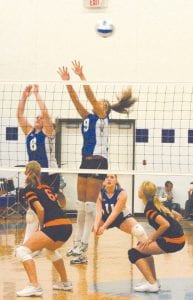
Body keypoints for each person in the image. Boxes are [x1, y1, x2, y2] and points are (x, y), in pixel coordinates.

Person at [57, 60, 137, 264]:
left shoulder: (102, 117)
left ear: (105, 109)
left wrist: (82, 77)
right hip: (85, 161)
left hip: (99, 162)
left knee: (91, 206)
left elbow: (90, 98)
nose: (98, 103)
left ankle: (83, 248)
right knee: (81, 205)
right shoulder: (87, 117)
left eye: (102, 103)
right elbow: (77, 101)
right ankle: (77, 245)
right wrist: (67, 82)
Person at [15, 161, 73, 297]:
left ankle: (35, 286)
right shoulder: (47, 187)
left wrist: (41, 227)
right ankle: (65, 283)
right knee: (50, 250)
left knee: (21, 251)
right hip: (67, 226)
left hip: (54, 226)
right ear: (39, 173)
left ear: (26, 173)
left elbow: (40, 209)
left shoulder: (30, 189)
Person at [128, 181, 185, 293]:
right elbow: (178, 216)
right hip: (178, 239)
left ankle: (151, 284)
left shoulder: (150, 209)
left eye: (140, 189)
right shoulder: (158, 203)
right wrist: (173, 230)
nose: (138, 190)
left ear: (143, 193)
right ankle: (153, 280)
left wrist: (150, 239)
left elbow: (165, 224)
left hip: (173, 241)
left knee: (133, 253)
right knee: (142, 247)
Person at [17, 84, 60, 194]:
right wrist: (24, 96)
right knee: (34, 202)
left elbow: (45, 113)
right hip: (33, 174)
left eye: (41, 118)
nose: (38, 118)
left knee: (48, 203)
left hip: (49, 173)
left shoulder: (48, 132)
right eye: (37, 116)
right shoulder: (29, 132)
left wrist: (36, 94)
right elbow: (19, 115)